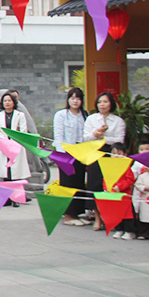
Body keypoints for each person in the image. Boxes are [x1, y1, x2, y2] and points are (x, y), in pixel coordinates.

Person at [83, 92, 126, 232]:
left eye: (105, 102)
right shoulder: (91, 119)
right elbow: (85, 138)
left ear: (111, 104)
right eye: (100, 102)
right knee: (95, 185)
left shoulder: (118, 121)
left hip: (111, 154)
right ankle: (97, 217)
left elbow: (120, 140)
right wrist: (95, 134)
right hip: (94, 154)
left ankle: (110, 218)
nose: (102, 104)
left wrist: (104, 138)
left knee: (109, 186)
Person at [54, 88, 89, 226]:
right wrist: (61, 155)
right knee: (67, 183)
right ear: (68, 99)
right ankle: (68, 215)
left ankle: (77, 213)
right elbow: (58, 136)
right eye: (73, 98)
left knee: (79, 182)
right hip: (66, 153)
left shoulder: (85, 115)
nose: (75, 101)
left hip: (81, 152)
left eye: (78, 98)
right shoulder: (62, 115)